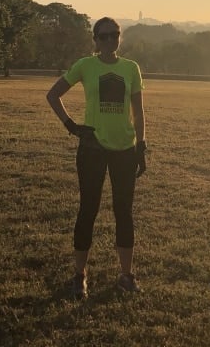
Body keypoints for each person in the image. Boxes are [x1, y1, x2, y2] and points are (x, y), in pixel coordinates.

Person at [46, 16, 147, 299]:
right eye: (103, 36)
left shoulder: (131, 68)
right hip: (92, 149)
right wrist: (71, 126)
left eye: (114, 35)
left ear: (119, 37)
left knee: (123, 212)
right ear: (95, 39)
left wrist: (142, 146)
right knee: (87, 210)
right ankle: (80, 275)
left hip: (125, 149)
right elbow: (53, 95)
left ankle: (126, 275)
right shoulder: (85, 65)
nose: (109, 40)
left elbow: (138, 112)